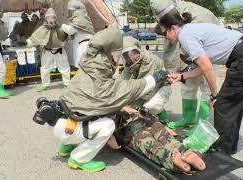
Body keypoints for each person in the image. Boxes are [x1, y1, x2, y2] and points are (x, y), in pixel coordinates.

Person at [53, 28, 169, 171]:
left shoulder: (87, 66)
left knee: (87, 112)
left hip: (62, 124)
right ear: (111, 52)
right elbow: (130, 88)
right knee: (108, 125)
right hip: (72, 129)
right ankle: (79, 158)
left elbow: (119, 87)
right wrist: (155, 78)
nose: (120, 57)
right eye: (118, 53)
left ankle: (66, 145)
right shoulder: (103, 84)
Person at [158, 11, 243, 155]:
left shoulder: (185, 37)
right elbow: (203, 67)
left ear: (173, 28)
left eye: (165, 34)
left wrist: (214, 95)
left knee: (222, 105)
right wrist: (181, 76)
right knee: (233, 103)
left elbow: (207, 68)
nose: (166, 38)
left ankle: (221, 152)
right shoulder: (190, 31)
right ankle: (229, 147)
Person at [150, 0, 221, 129]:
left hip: (210, 53)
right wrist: (173, 71)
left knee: (207, 89)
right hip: (190, 57)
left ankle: (202, 126)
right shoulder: (171, 18)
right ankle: (188, 119)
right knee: (188, 87)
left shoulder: (201, 17)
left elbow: (206, 62)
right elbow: (172, 46)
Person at [114, 109, 206, 173]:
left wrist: (162, 125)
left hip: (139, 120)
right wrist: (109, 137)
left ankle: (180, 156)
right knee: (154, 140)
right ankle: (181, 156)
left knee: (156, 139)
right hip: (128, 124)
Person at [121, 36, 171, 123]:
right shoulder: (129, 64)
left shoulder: (148, 61)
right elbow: (124, 83)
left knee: (150, 105)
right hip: (147, 87)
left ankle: (161, 113)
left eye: (127, 54)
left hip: (160, 86)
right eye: (124, 55)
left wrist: (135, 106)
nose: (126, 58)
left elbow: (147, 87)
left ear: (136, 51)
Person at [24, 8, 70, 91]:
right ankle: (45, 84)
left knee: (64, 67)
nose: (51, 19)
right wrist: (26, 43)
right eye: (49, 17)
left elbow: (68, 34)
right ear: (46, 19)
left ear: (55, 18)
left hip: (59, 50)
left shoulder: (60, 28)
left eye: (53, 17)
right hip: (47, 51)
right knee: (45, 68)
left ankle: (67, 83)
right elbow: (35, 38)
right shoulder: (43, 28)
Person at [61, 0, 94, 68]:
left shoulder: (81, 19)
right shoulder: (83, 19)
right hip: (83, 44)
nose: (71, 12)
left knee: (84, 67)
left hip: (85, 45)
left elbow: (71, 30)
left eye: (72, 11)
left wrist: (62, 26)